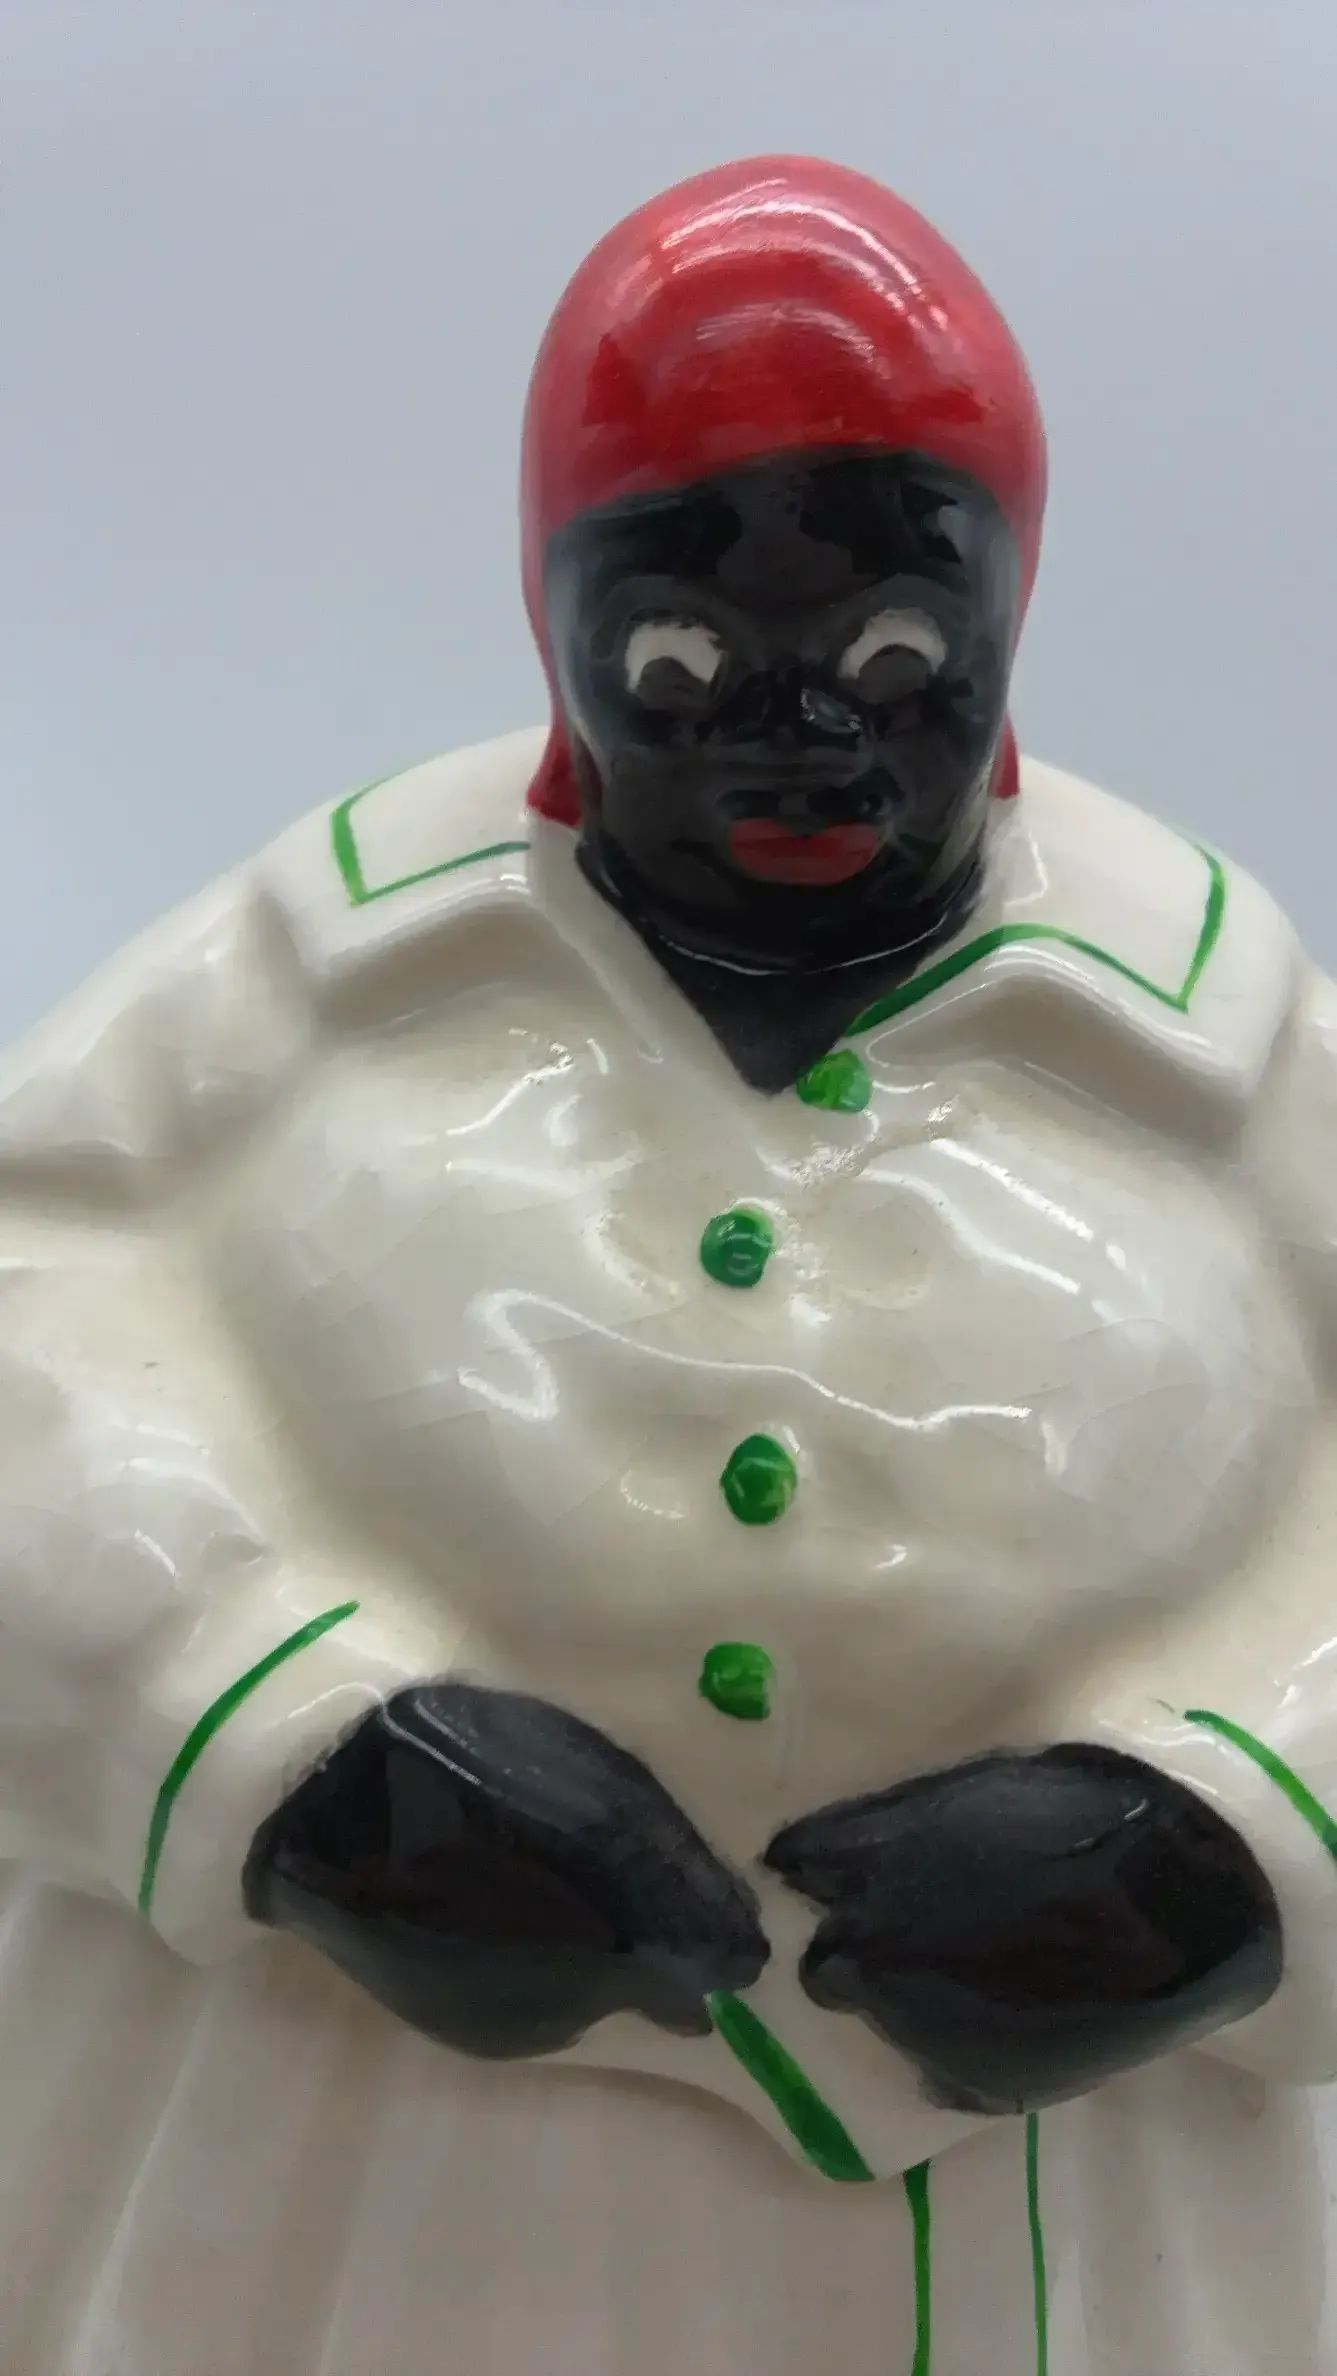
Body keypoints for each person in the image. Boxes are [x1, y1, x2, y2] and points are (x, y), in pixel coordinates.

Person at [0, 152, 1333, 2375]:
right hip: (345, 2140)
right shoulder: (310, 971)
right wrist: (275, 1745)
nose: (799, 736)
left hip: (1058, 2191)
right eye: (683, 659)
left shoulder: (1233, 1041)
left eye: (894, 656)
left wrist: (1233, 1848)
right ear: (555, 634)